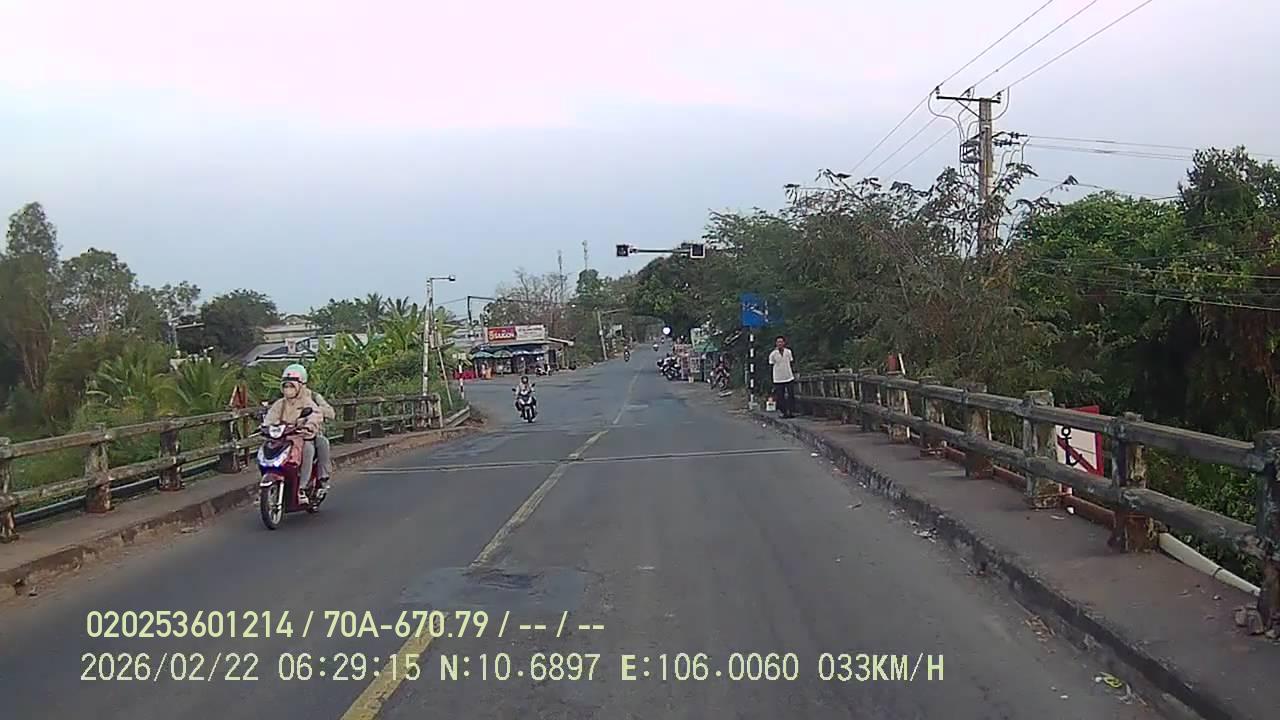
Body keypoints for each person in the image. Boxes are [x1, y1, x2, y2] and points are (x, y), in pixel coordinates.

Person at [264, 365, 323, 504]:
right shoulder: (279, 404)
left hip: (301, 437)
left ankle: (302, 488)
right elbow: (270, 418)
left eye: (291, 386)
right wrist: (265, 427)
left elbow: (315, 415)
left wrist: (309, 426)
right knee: (267, 450)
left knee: (308, 450)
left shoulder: (307, 402)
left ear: (300, 386)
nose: (288, 389)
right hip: (283, 438)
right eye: (286, 386)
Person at [769, 335, 796, 418]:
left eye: (781, 342)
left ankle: (791, 411)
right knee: (780, 396)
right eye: (778, 342)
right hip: (778, 378)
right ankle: (784, 412)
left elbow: (791, 362)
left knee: (791, 395)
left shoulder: (788, 352)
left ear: (784, 343)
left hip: (788, 376)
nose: (780, 344)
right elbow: (771, 364)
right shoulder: (773, 354)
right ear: (776, 343)